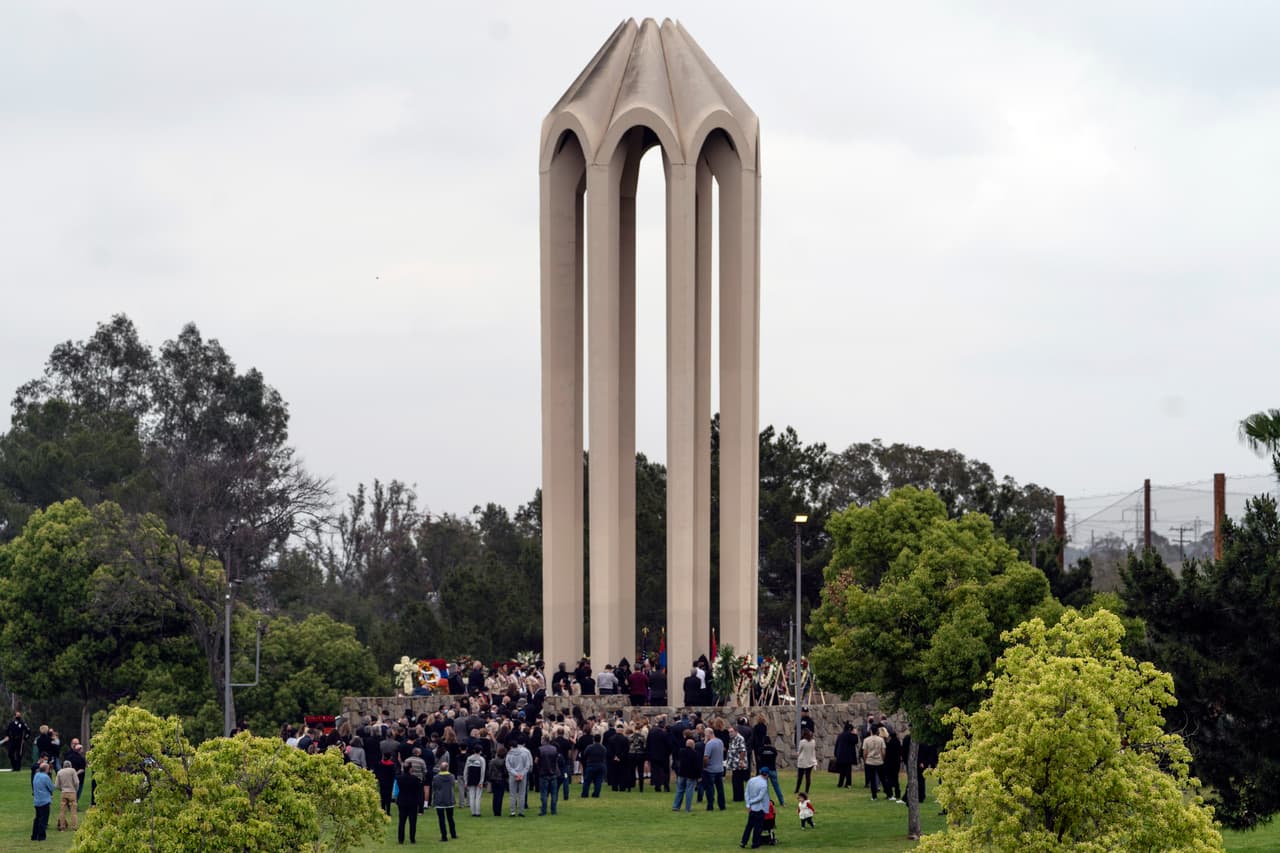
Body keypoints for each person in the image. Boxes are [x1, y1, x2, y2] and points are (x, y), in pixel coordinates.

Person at [740, 767, 771, 849]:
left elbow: (746, 792)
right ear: (767, 775)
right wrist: (751, 802)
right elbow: (760, 797)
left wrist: (748, 804)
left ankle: (743, 842)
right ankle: (755, 843)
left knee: (749, 826)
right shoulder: (764, 784)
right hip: (760, 808)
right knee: (758, 827)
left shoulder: (751, 780)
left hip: (752, 808)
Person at [430, 760, 460, 841]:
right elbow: (453, 785)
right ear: (447, 768)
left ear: (440, 768)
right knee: (450, 818)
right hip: (449, 799)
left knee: (441, 819)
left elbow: (434, 787)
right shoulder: (452, 777)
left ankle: (444, 836)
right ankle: (453, 834)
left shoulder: (436, 778)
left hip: (439, 800)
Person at [395, 765, 425, 844]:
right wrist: (420, 805)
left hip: (402, 801)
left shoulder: (399, 778)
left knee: (402, 821)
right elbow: (419, 791)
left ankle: (400, 839)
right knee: (412, 822)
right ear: (410, 769)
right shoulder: (415, 779)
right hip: (412, 802)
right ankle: (412, 838)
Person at [504, 737, 532, 816]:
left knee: (512, 794)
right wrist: (522, 774)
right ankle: (521, 811)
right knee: (522, 794)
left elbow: (508, 766)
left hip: (513, 775)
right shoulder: (524, 753)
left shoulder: (509, 754)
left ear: (511, 746)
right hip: (522, 775)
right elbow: (527, 765)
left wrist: (516, 774)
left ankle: (512, 811)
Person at [673, 737, 700, 812]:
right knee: (689, 791)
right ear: (693, 745)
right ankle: (687, 808)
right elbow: (697, 766)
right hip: (691, 775)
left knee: (679, 790)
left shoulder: (681, 751)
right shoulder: (695, 754)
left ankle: (676, 806)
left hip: (681, 773)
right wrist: (698, 776)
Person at [755, 735, 783, 806]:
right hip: (772, 769)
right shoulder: (773, 750)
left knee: (765, 788)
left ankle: (767, 802)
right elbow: (775, 756)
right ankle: (782, 802)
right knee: (776, 787)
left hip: (764, 770)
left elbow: (758, 759)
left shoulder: (761, 750)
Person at [703, 725, 726, 811]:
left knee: (710, 789)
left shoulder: (709, 744)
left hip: (710, 769)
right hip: (719, 768)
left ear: (708, 734)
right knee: (720, 789)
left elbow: (706, 757)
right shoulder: (720, 741)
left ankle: (710, 806)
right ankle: (722, 805)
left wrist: (705, 766)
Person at [32, 761, 55, 841]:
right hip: (44, 800)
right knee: (43, 819)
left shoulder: (36, 775)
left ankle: (34, 835)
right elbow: (51, 787)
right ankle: (41, 836)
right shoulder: (46, 777)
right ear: (46, 769)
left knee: (37, 818)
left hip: (37, 800)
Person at [536, 740, 560, 815]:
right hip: (553, 773)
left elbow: (536, 761)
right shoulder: (554, 749)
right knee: (554, 793)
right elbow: (557, 760)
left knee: (544, 793)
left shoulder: (540, 749)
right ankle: (554, 810)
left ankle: (543, 810)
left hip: (543, 773)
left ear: (543, 741)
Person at [862, 726, 886, 799]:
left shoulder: (866, 740)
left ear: (871, 731)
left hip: (870, 761)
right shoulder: (881, 739)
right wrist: (882, 759)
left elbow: (865, 752)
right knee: (883, 778)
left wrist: (865, 760)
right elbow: (883, 751)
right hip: (879, 761)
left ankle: (874, 796)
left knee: (872, 780)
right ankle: (889, 794)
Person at [727, 724, 749, 802]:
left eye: (731, 731)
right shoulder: (732, 739)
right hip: (734, 763)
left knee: (738, 780)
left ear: (736, 731)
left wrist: (741, 761)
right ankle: (736, 797)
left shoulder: (740, 738)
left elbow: (742, 750)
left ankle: (739, 797)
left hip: (738, 763)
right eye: (729, 732)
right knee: (735, 780)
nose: (730, 733)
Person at [55, 760, 79, 832]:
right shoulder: (72, 771)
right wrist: (75, 789)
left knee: (62, 811)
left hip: (63, 792)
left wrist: (62, 789)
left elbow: (56, 785)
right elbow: (76, 782)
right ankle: (74, 827)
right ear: (70, 765)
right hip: (72, 792)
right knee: (73, 811)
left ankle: (62, 827)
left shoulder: (59, 772)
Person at [463, 746, 486, 817]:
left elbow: (466, 770)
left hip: (470, 779)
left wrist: (465, 781)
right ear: (480, 751)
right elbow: (483, 771)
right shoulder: (481, 759)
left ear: (474, 750)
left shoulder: (469, 758)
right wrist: (481, 782)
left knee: (471, 796)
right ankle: (477, 812)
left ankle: (473, 812)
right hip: (478, 778)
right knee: (478, 796)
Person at [833, 722, 858, 789]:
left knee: (842, 771)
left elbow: (837, 745)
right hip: (848, 756)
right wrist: (855, 734)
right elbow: (855, 741)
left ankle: (840, 783)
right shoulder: (850, 735)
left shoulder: (840, 735)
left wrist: (835, 754)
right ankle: (848, 783)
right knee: (848, 771)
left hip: (840, 755)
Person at [882, 728, 903, 802]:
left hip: (889, 763)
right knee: (896, 778)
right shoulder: (898, 742)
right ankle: (897, 793)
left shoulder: (889, 744)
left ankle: (890, 793)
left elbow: (887, 753)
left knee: (888, 779)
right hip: (896, 763)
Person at [487, 744, 508, 816]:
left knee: (495, 796)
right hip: (501, 779)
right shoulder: (504, 762)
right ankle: (498, 811)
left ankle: (495, 811)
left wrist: (489, 778)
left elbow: (489, 771)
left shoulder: (492, 761)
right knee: (500, 796)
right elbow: (505, 772)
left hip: (494, 779)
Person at [794, 728, 817, 795]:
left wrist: (797, 754)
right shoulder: (813, 742)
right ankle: (807, 791)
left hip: (802, 761)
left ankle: (797, 789)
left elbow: (799, 751)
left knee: (800, 777)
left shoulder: (802, 742)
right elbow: (813, 751)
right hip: (810, 760)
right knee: (808, 776)